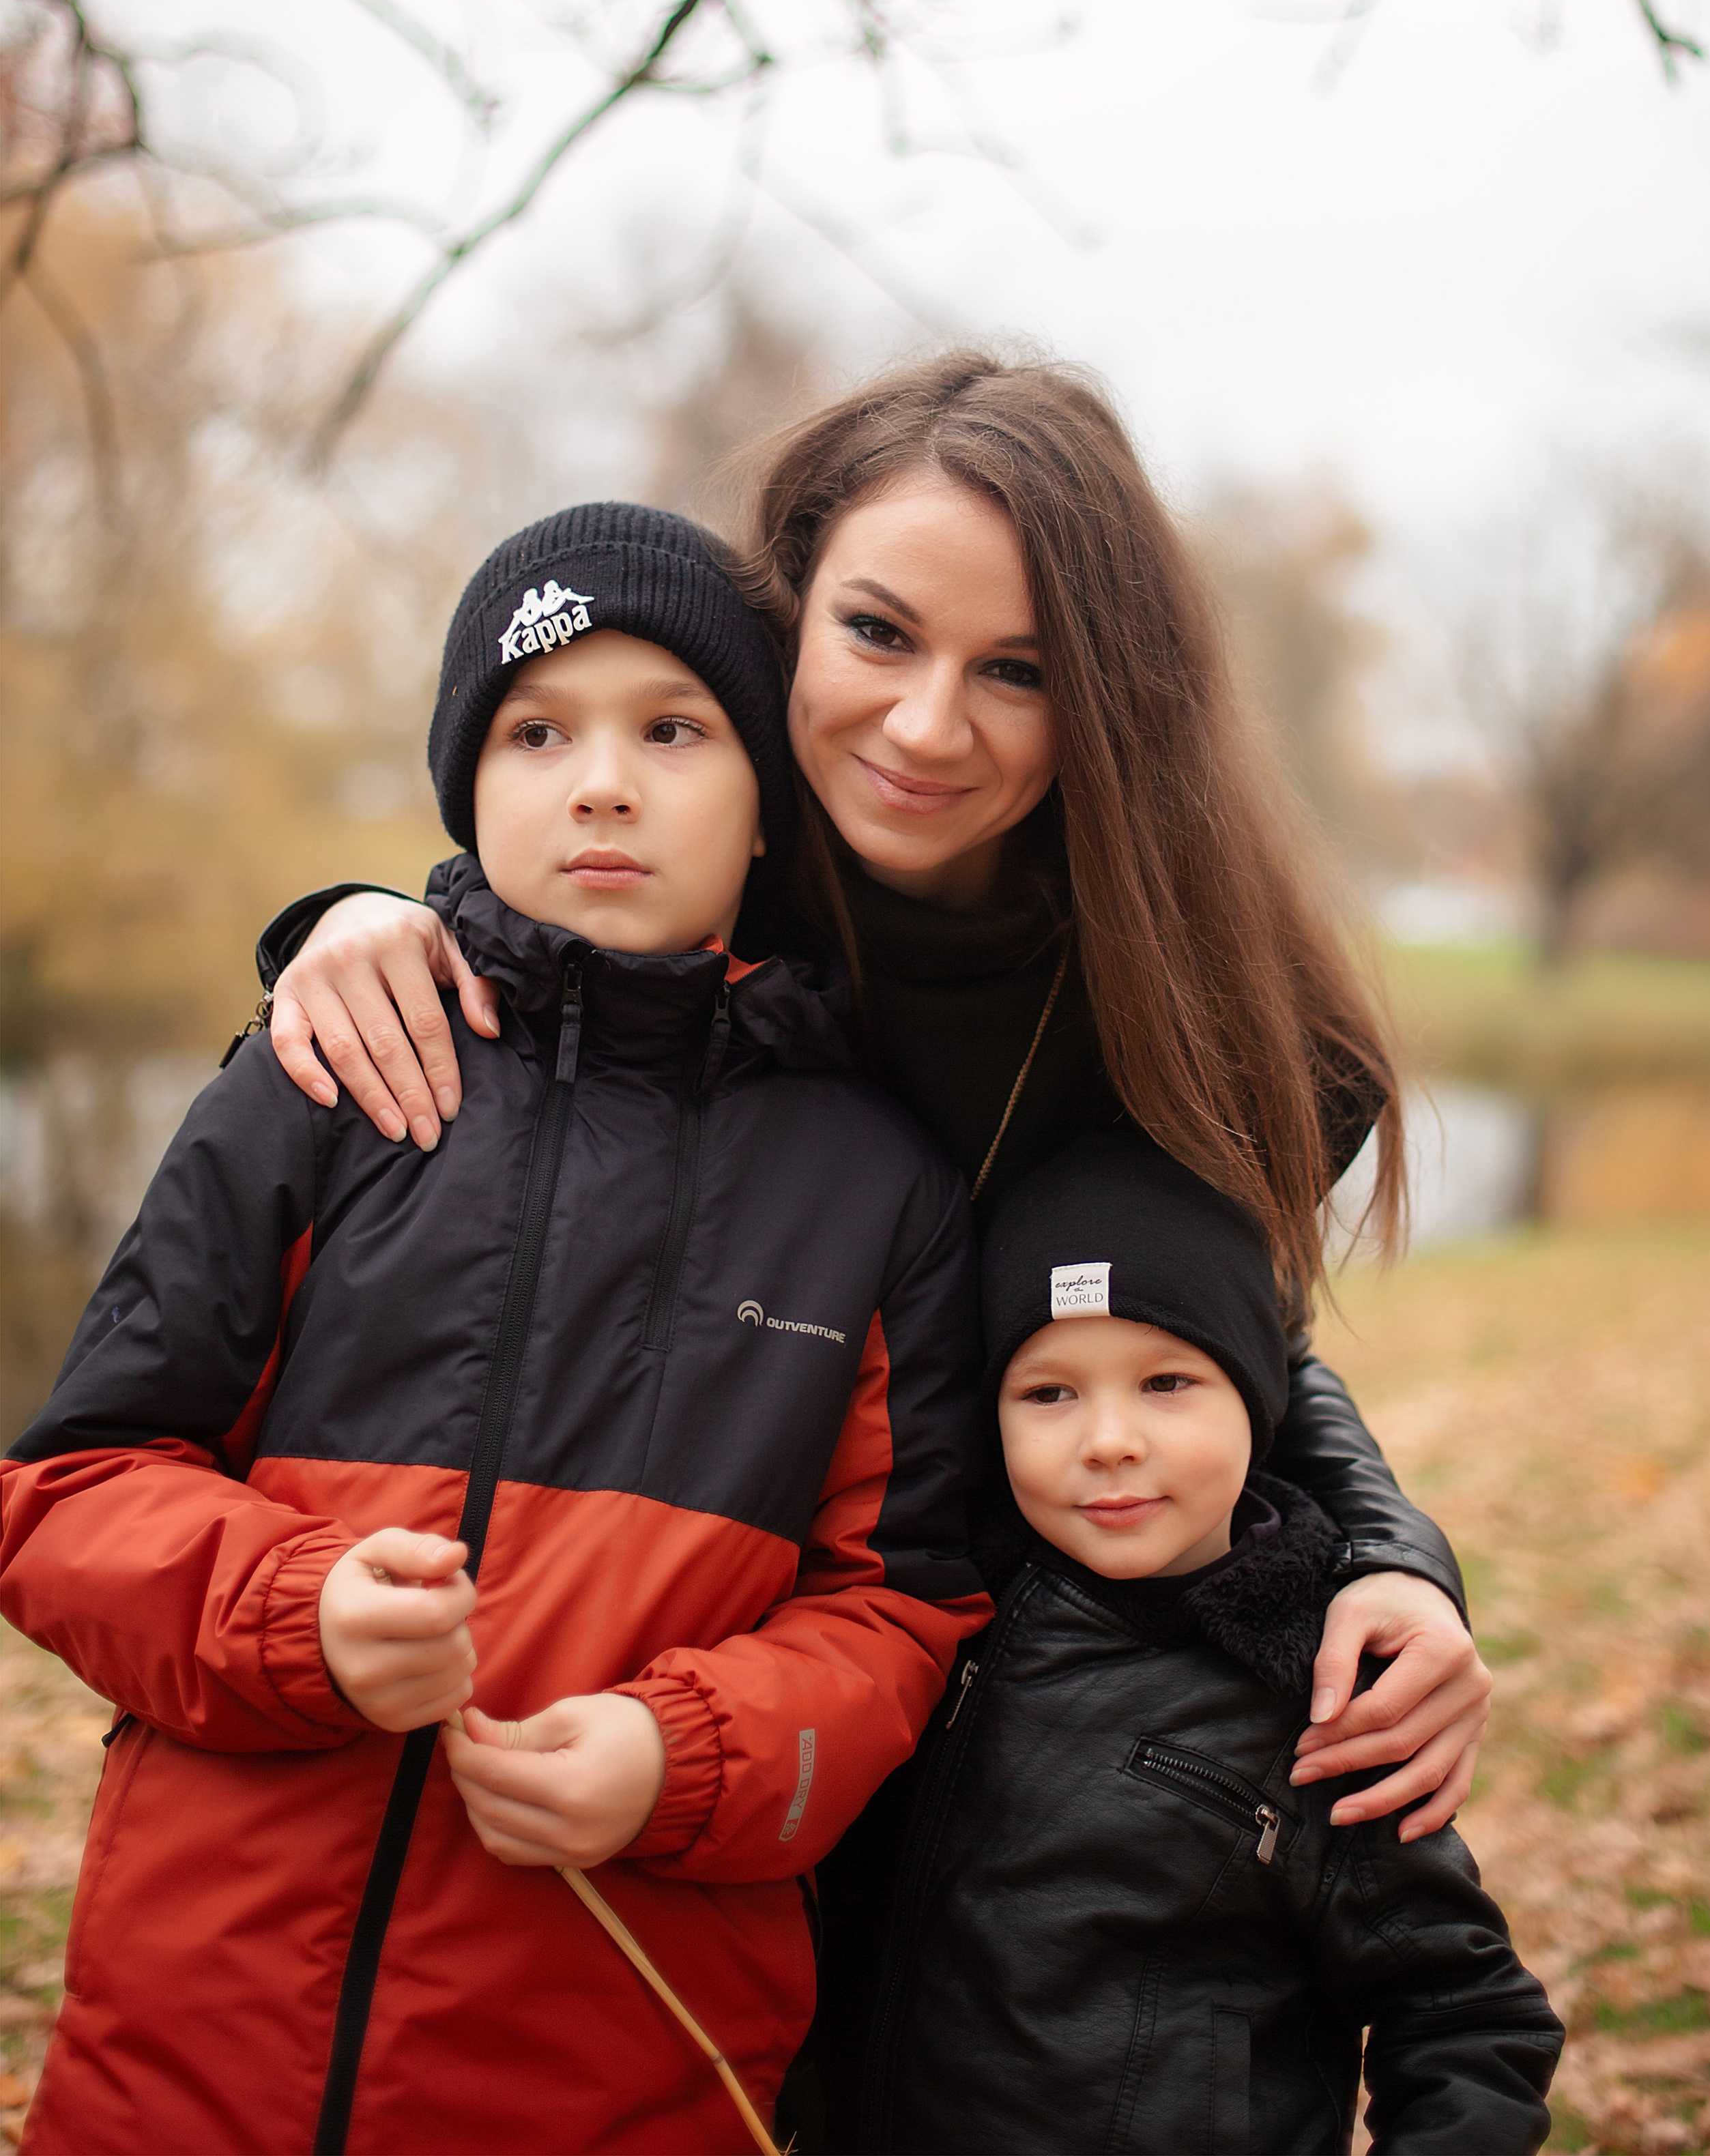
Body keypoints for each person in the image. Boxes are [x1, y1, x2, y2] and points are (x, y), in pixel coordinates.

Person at [247, 352, 1494, 2125]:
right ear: (788, 621)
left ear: (1110, 701)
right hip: (672, 1677)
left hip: (1008, 1749)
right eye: (879, 635)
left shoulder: (1212, 1017)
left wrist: (1389, 1562)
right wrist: (354, 918)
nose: (922, 727)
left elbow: (1218, 1346)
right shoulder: (704, 877)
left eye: (1017, 672)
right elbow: (514, 975)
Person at [0, 504, 990, 2156]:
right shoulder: (319, 1079)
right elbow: (71, 1492)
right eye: (537, 732)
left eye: (672, 730)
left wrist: (681, 1756)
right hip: (187, 2066)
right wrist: (297, 1611)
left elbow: (896, 1614)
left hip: (612, 2081)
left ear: (768, 802)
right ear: (467, 784)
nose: (600, 782)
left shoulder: (875, 1189)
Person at [863, 1129, 1563, 2155]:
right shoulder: (938, 1614)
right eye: (1048, 1393)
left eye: (1167, 1382)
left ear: (1260, 1398)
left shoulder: (1324, 1699)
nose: (1108, 1441)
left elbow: (1468, 2018)